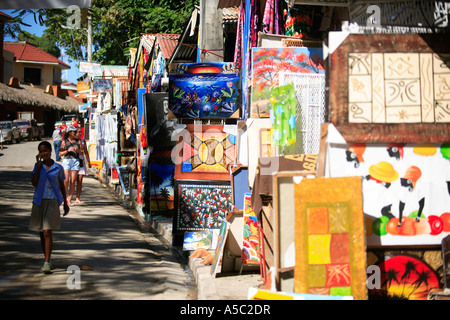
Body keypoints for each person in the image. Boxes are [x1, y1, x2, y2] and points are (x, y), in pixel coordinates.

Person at [30, 141, 69, 274]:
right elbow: (34, 183)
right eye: (41, 152)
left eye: (45, 151)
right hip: (39, 201)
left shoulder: (58, 168)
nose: (43, 153)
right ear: (39, 154)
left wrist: (65, 202)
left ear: (50, 151)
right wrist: (39, 166)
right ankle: (47, 259)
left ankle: (47, 262)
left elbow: (62, 185)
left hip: (52, 201)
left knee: (47, 231)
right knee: (41, 232)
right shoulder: (38, 166)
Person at [59, 125, 82, 207]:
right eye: (74, 131)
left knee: (73, 181)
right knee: (66, 180)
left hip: (75, 161)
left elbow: (82, 153)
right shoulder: (64, 142)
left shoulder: (78, 141)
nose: (75, 133)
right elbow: (60, 153)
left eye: (76, 131)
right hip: (67, 160)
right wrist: (67, 151)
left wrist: (77, 150)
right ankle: (64, 198)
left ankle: (69, 199)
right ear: (69, 132)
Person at [75, 127, 91, 205]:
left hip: (81, 162)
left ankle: (78, 197)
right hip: (73, 162)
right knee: (72, 180)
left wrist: (89, 161)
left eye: (80, 132)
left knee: (80, 180)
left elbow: (86, 152)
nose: (80, 134)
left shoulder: (82, 141)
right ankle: (69, 196)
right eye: (78, 132)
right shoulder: (72, 141)